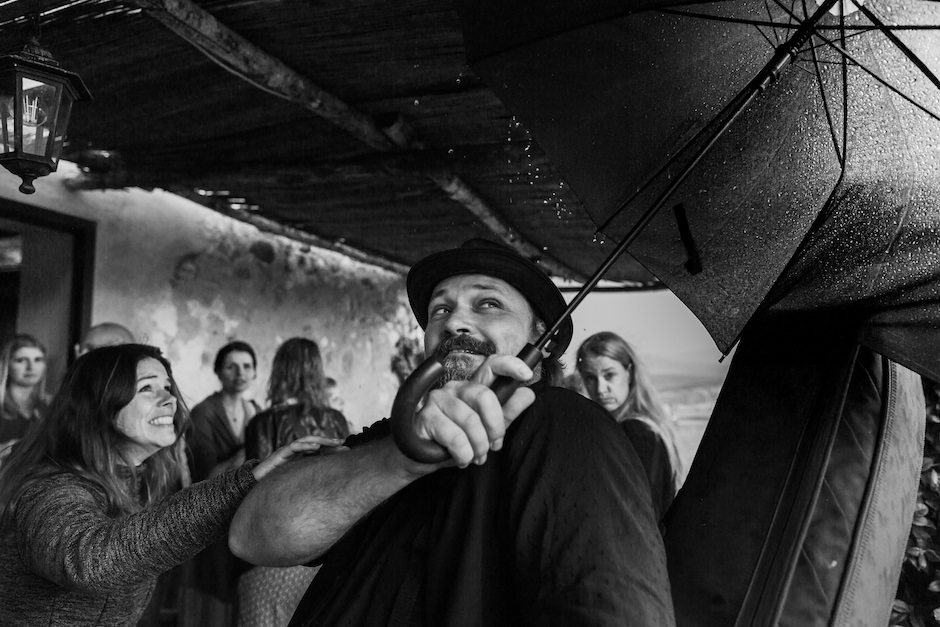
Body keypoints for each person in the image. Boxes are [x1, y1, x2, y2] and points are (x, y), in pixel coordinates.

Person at [230, 238, 675, 626]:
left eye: (488, 304)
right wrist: (401, 458)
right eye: (440, 309)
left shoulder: (566, 426)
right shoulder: (390, 437)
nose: (454, 322)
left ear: (543, 336)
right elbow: (252, 535)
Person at [0, 343, 334, 626]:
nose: (169, 399)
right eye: (147, 388)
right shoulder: (50, 489)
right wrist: (244, 481)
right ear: (98, 406)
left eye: (168, 387)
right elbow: (91, 563)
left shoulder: (134, 483)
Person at [238, 338, 350, 627]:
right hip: (326, 548)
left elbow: (255, 487)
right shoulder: (337, 420)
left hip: (274, 549)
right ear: (317, 371)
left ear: (279, 371)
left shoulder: (262, 423)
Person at [185, 340, 263, 626]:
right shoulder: (204, 412)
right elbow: (203, 474)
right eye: (231, 366)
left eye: (246, 366)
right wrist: (245, 452)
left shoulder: (256, 409)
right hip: (214, 516)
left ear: (255, 373)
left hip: (249, 514)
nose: (239, 373)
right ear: (218, 371)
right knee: (216, 596)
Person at [576, 331, 684, 520]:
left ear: (630, 372)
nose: (600, 388)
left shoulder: (636, 431)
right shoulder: (643, 425)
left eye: (609, 375)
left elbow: (636, 512)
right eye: (590, 378)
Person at [0, 334, 50, 465]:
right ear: (7, 364)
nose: (31, 367)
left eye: (38, 360)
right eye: (21, 360)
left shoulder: (50, 404)